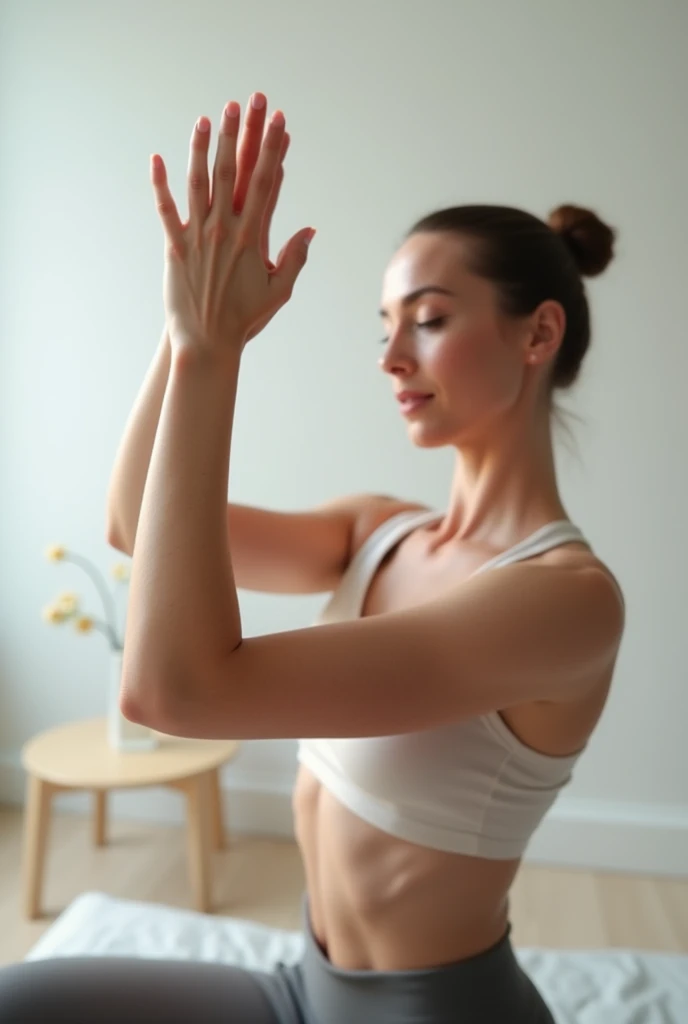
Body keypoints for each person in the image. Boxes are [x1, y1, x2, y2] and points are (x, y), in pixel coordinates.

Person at [0, 92, 624, 1023]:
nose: (390, 356)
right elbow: (136, 518)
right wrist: (190, 331)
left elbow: (180, 692)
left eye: (429, 319)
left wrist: (215, 357)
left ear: (537, 334)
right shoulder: (375, 532)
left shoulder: (567, 602)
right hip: (303, 988)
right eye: (385, 325)